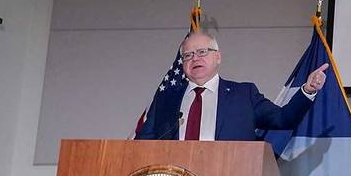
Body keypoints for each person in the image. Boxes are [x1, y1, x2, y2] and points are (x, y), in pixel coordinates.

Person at [136, 31, 327, 141]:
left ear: (218, 57)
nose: (195, 58)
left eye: (202, 52)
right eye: (188, 55)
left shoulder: (244, 95)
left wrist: (307, 90)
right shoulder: (166, 99)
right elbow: (144, 143)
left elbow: (283, 119)